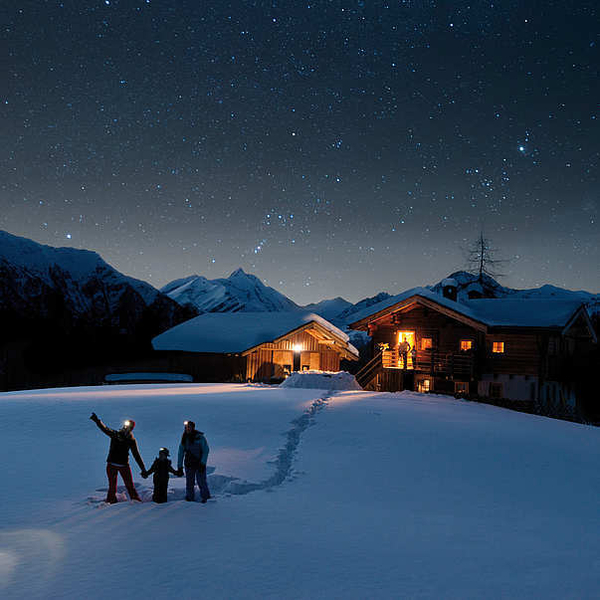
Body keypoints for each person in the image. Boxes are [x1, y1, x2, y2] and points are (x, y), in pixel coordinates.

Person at [90, 412, 147, 503]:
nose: (126, 428)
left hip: (123, 465)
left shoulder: (131, 440)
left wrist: (143, 469)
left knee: (129, 485)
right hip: (112, 464)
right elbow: (105, 429)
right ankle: (111, 502)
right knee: (112, 486)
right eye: (126, 426)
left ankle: (136, 501)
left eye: (129, 427)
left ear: (131, 429)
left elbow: (136, 455)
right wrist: (97, 421)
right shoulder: (115, 434)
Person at [177, 420, 211, 503]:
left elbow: (206, 450)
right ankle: (190, 498)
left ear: (193, 427)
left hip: (199, 464)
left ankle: (206, 497)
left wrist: (203, 463)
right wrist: (180, 466)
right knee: (189, 482)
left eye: (189, 427)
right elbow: (180, 453)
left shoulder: (200, 437)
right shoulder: (184, 438)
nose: (187, 429)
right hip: (189, 464)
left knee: (201, 481)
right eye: (186, 427)